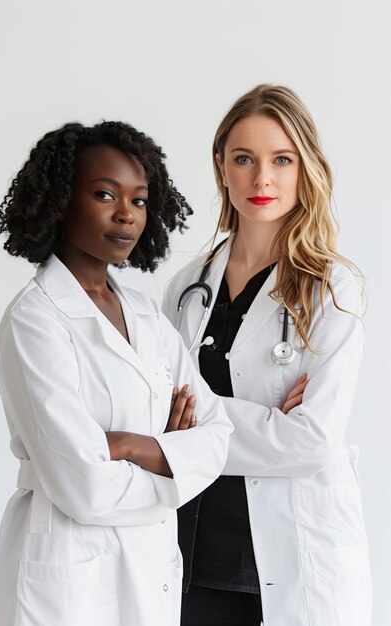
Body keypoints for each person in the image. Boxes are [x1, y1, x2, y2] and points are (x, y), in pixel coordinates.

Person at [0, 121, 233, 626]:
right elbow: (84, 489)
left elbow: (218, 436)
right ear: (60, 201)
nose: (127, 214)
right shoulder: (35, 321)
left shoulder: (145, 314)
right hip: (69, 573)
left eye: (140, 200)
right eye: (105, 194)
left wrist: (132, 446)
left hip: (150, 565)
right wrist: (173, 461)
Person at [163, 84, 372, 626]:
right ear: (221, 167)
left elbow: (312, 442)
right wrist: (267, 424)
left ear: (305, 167)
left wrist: (196, 427)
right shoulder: (186, 290)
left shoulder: (332, 290)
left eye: (282, 159)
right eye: (244, 159)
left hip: (291, 556)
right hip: (189, 555)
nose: (262, 178)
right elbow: (154, 418)